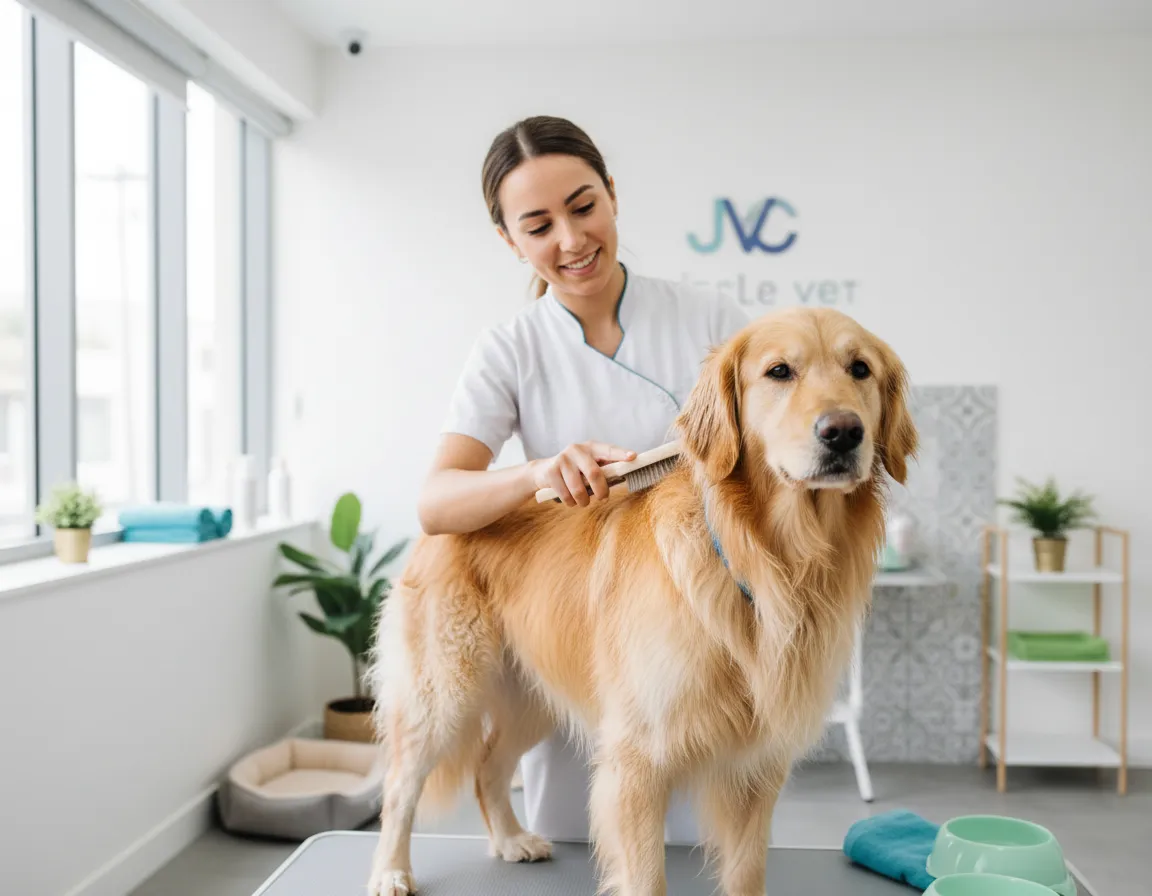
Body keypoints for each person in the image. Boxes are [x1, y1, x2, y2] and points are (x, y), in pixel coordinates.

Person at [418, 114, 751, 845]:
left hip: (707, 636)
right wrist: (537, 474)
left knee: (710, 846)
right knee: (581, 848)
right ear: (510, 241)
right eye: (537, 225)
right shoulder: (510, 349)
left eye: (583, 205)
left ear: (612, 197)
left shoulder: (712, 319)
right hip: (584, 640)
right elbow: (438, 503)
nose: (571, 240)